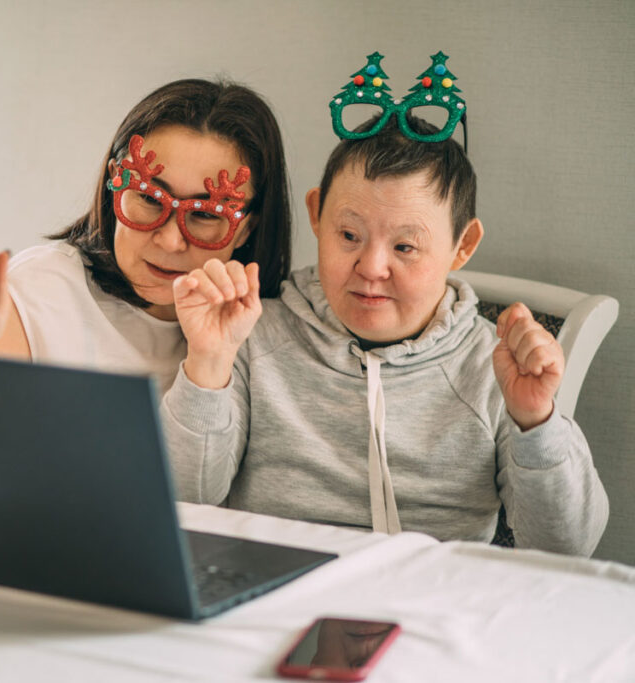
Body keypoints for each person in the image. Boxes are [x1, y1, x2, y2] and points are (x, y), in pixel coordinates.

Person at [160, 108, 609, 556]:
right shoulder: (252, 335)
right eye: (349, 235)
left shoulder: (491, 366)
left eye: (405, 247)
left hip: (430, 601)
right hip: (277, 589)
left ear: (463, 245)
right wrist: (208, 362)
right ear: (317, 215)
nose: (371, 268)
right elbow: (183, 499)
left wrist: (537, 422)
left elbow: (566, 547)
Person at [0, 79, 292, 393]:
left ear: (246, 229)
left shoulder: (267, 335)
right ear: (114, 188)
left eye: (204, 214)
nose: (170, 240)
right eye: (149, 200)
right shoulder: (38, 292)